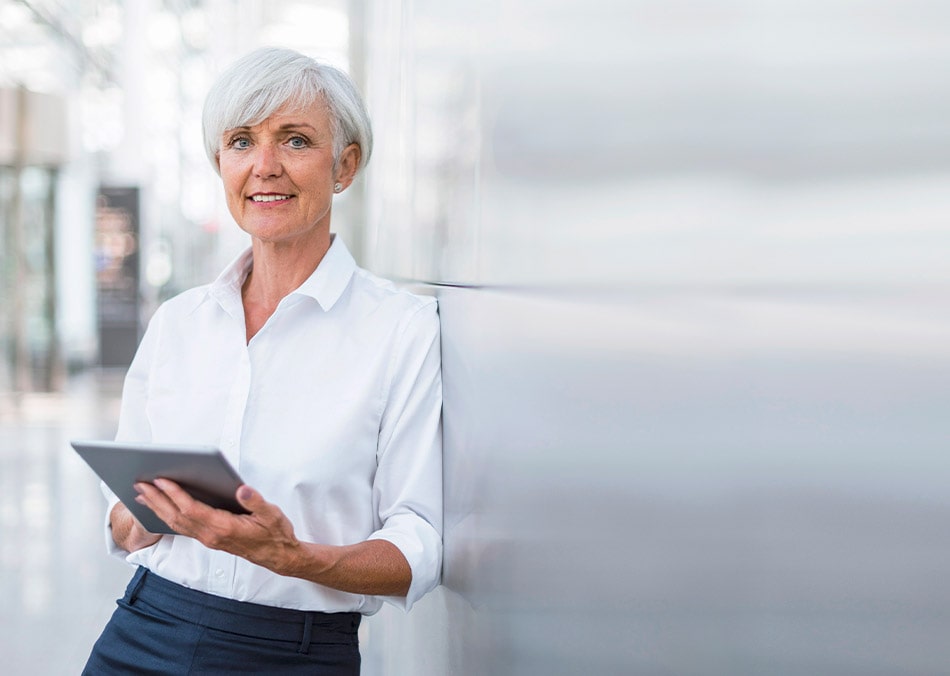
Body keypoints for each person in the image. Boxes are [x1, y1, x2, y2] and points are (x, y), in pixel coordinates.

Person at [82, 47, 443, 675]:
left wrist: (294, 556)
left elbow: (420, 539)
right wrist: (137, 519)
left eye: (296, 140)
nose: (264, 167)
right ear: (221, 163)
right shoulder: (179, 323)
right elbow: (121, 515)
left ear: (345, 165)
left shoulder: (401, 332)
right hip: (141, 630)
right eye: (241, 141)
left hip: (292, 653)